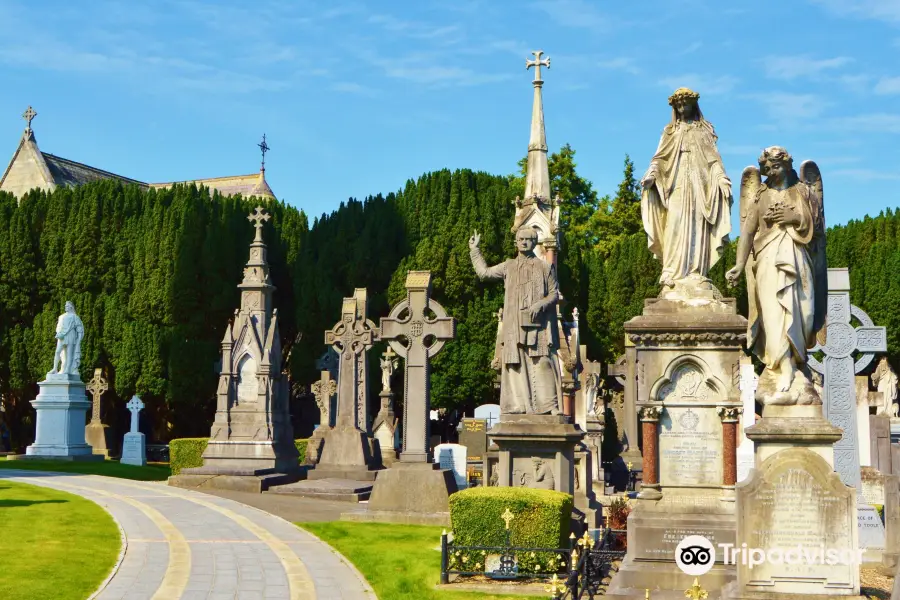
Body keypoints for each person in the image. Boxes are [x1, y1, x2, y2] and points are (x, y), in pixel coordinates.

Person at [726, 147, 826, 402]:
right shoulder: (761, 196)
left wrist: (794, 216)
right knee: (773, 315)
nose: (771, 172)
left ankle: (798, 363)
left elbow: (817, 229)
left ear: (788, 166)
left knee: (803, 312)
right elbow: (748, 233)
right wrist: (739, 264)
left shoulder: (802, 191)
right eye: (767, 169)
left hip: (798, 258)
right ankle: (784, 366)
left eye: (776, 167)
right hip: (769, 263)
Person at [641, 87, 732, 295]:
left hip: (700, 185)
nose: (682, 108)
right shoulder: (670, 131)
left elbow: (714, 160)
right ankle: (671, 272)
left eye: (685, 104)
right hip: (676, 184)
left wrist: (721, 179)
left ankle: (696, 272)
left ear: (693, 104)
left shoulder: (704, 130)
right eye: (678, 105)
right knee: (674, 224)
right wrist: (652, 176)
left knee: (698, 226)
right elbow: (659, 159)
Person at [469, 227, 562, 414]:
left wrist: (540, 305)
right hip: (514, 325)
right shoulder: (508, 266)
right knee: (515, 363)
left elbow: (554, 293)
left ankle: (549, 406)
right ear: (516, 242)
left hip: (539, 325)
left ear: (534, 243)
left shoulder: (545, 267)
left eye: (529, 239)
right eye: (521, 239)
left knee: (543, 362)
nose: (524, 242)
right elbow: (484, 273)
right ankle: (516, 406)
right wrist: (474, 251)